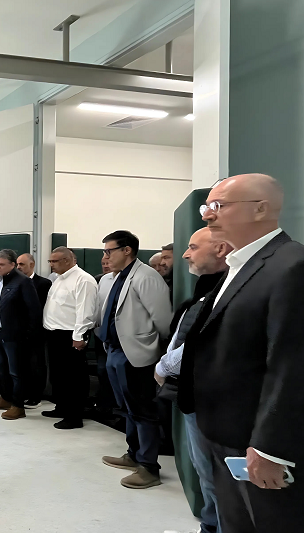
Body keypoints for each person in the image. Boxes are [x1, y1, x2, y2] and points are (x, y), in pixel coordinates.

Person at [179, 174, 304, 532]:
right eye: (207, 207)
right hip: (222, 432)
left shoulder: (290, 265)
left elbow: (291, 364)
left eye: (218, 206)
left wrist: (269, 448)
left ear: (260, 209)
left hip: (254, 443)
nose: (208, 215)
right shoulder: (239, 266)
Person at [155, 227, 231, 533]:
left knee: (215, 476)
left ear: (221, 249)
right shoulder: (207, 288)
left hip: (213, 399)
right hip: (195, 394)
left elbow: (199, 343)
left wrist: (163, 366)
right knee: (206, 472)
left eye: (193, 247)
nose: (185, 255)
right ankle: (209, 525)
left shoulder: (227, 290)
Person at [99, 230, 172, 489]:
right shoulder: (119, 277)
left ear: (127, 250)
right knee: (128, 409)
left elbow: (163, 321)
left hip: (136, 354)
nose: (105, 256)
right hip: (115, 351)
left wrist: (154, 348)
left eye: (109, 251)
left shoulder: (146, 276)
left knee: (143, 411)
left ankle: (149, 467)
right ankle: (133, 454)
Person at [42, 247, 98, 429]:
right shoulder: (58, 279)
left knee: (73, 377)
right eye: (50, 261)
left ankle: (74, 416)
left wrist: (79, 336)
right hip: (54, 333)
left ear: (67, 260)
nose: (51, 265)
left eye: (54, 261)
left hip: (70, 334)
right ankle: (62, 407)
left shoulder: (83, 280)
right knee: (58, 375)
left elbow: (85, 311)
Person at [0, 249, 41, 421]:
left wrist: (27, 334)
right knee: (1, 368)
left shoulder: (23, 282)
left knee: (16, 371)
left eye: (2, 264)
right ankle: (6, 398)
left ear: (13, 265)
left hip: (15, 336)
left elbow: (34, 310)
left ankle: (18, 405)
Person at [16, 253, 52, 409]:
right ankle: (24, 393)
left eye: (22, 264)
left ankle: (36, 396)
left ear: (32, 265)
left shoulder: (44, 284)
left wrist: (34, 329)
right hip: (18, 331)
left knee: (36, 364)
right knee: (21, 364)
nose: (18, 267)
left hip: (36, 331)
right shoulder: (15, 282)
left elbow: (42, 308)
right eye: (17, 264)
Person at [94, 255, 117, 416]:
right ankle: (104, 404)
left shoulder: (128, 279)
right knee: (102, 370)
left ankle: (116, 406)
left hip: (118, 335)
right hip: (101, 333)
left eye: (108, 262)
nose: (106, 266)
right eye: (103, 263)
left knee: (114, 370)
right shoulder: (102, 280)